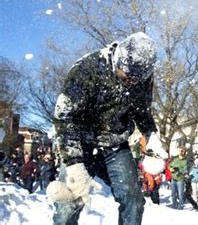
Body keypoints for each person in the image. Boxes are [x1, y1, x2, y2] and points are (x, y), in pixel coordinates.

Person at [48, 32, 168, 225]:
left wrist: (152, 136)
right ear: (119, 59)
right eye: (127, 76)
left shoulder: (142, 78)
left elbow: (142, 111)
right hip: (81, 143)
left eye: (137, 79)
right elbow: (64, 116)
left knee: (134, 201)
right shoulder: (87, 69)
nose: (132, 82)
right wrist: (74, 163)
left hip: (115, 144)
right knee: (68, 206)